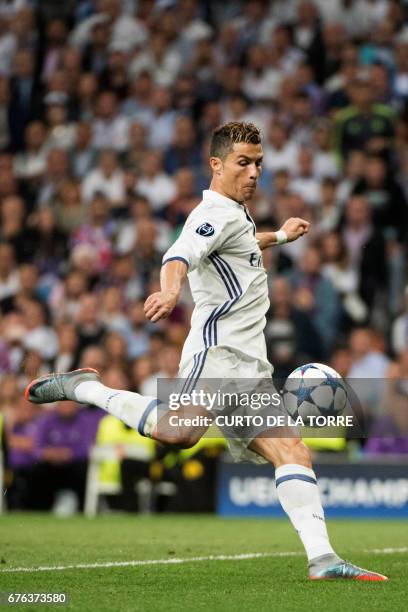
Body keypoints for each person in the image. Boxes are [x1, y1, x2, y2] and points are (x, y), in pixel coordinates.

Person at [25, 121, 387, 581]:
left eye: (258, 163)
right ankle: (87, 388)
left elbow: (237, 248)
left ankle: (324, 560)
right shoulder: (210, 213)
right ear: (216, 165)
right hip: (215, 355)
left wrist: (278, 238)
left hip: (249, 364)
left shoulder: (237, 215)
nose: (254, 172)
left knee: (291, 450)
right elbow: (178, 254)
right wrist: (171, 291)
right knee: (179, 434)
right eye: (243, 163)